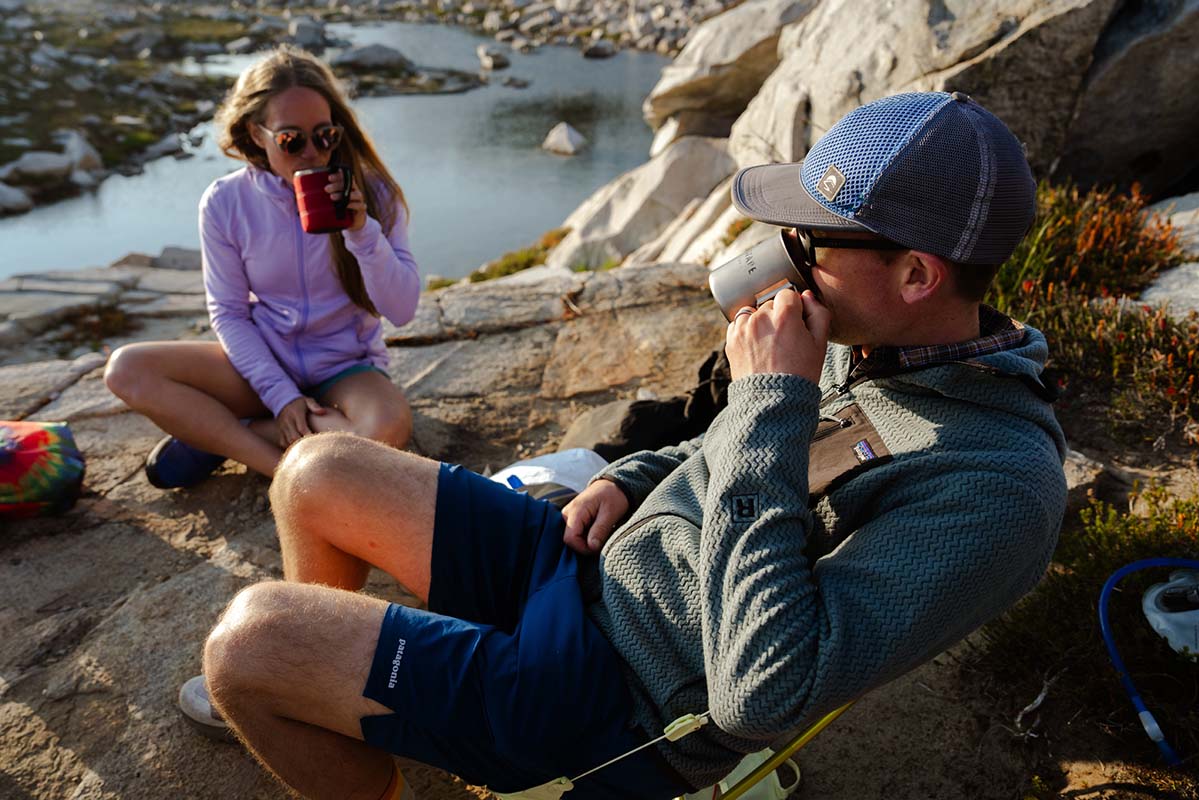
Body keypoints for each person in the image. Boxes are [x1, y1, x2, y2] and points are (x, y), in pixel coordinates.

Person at [199, 91, 1068, 800]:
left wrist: (772, 397)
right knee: (316, 471)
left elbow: (764, 691)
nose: (784, 257)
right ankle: (341, 694)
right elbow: (733, 453)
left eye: (808, 240)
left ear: (919, 274)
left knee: (248, 645)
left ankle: (329, 690)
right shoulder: (876, 337)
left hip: (620, 702)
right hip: (594, 560)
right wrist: (638, 473)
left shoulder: (995, 490)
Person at [104, 45, 420, 489]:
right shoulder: (225, 202)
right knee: (126, 369)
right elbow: (229, 313)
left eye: (325, 135)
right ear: (257, 135)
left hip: (346, 368)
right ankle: (280, 471)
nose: (312, 153)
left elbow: (402, 308)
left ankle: (219, 434)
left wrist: (361, 231)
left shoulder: (375, 194)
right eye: (291, 139)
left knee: (385, 431)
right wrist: (282, 397)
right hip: (263, 362)